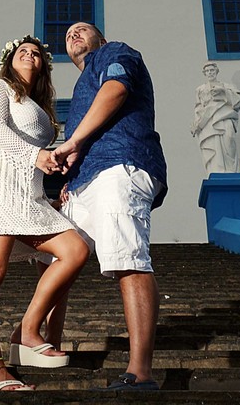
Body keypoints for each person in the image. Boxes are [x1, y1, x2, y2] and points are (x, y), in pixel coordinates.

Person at [0, 36, 90, 392]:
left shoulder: (41, 107)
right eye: (22, 52)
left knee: (75, 251)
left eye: (36, 53)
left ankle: (27, 331)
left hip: (29, 196)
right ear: (9, 62)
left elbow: (39, 152)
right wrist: (36, 156)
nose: (30, 55)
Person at [50, 22, 168, 391]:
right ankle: (44, 346)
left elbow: (116, 91)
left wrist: (72, 143)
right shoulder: (82, 81)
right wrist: (71, 179)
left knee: (127, 257)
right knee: (57, 259)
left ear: (100, 37)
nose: (73, 35)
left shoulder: (115, 52)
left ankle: (141, 373)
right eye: (68, 34)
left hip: (122, 165)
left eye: (82, 30)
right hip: (87, 181)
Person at [191, 62, 240, 174]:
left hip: (225, 118)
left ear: (216, 71)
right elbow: (198, 107)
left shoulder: (227, 86)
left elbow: (237, 103)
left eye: (212, 70)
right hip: (208, 122)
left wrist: (223, 92)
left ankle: (231, 171)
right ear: (204, 73)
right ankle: (216, 171)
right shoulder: (200, 89)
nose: (210, 73)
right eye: (207, 71)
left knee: (229, 139)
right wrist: (197, 123)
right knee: (213, 145)